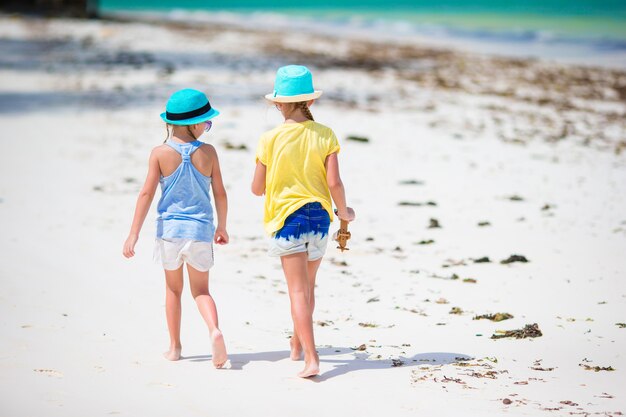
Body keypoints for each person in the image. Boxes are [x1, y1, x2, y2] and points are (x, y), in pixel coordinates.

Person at [251, 65, 355, 378]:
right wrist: (344, 212)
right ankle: (296, 346)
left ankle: (312, 357)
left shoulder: (269, 138)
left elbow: (257, 189)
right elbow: (334, 183)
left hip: (287, 218)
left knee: (297, 291)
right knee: (308, 287)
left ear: (279, 104)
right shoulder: (325, 135)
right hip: (320, 217)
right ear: (309, 102)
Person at [123, 88, 229, 368]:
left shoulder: (159, 153)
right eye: (206, 123)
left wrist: (133, 233)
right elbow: (220, 193)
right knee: (202, 291)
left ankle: (174, 347)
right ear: (194, 124)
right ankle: (214, 330)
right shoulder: (209, 153)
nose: (207, 129)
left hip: (170, 233)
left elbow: (145, 194)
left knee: (173, 290)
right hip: (200, 232)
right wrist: (223, 226)